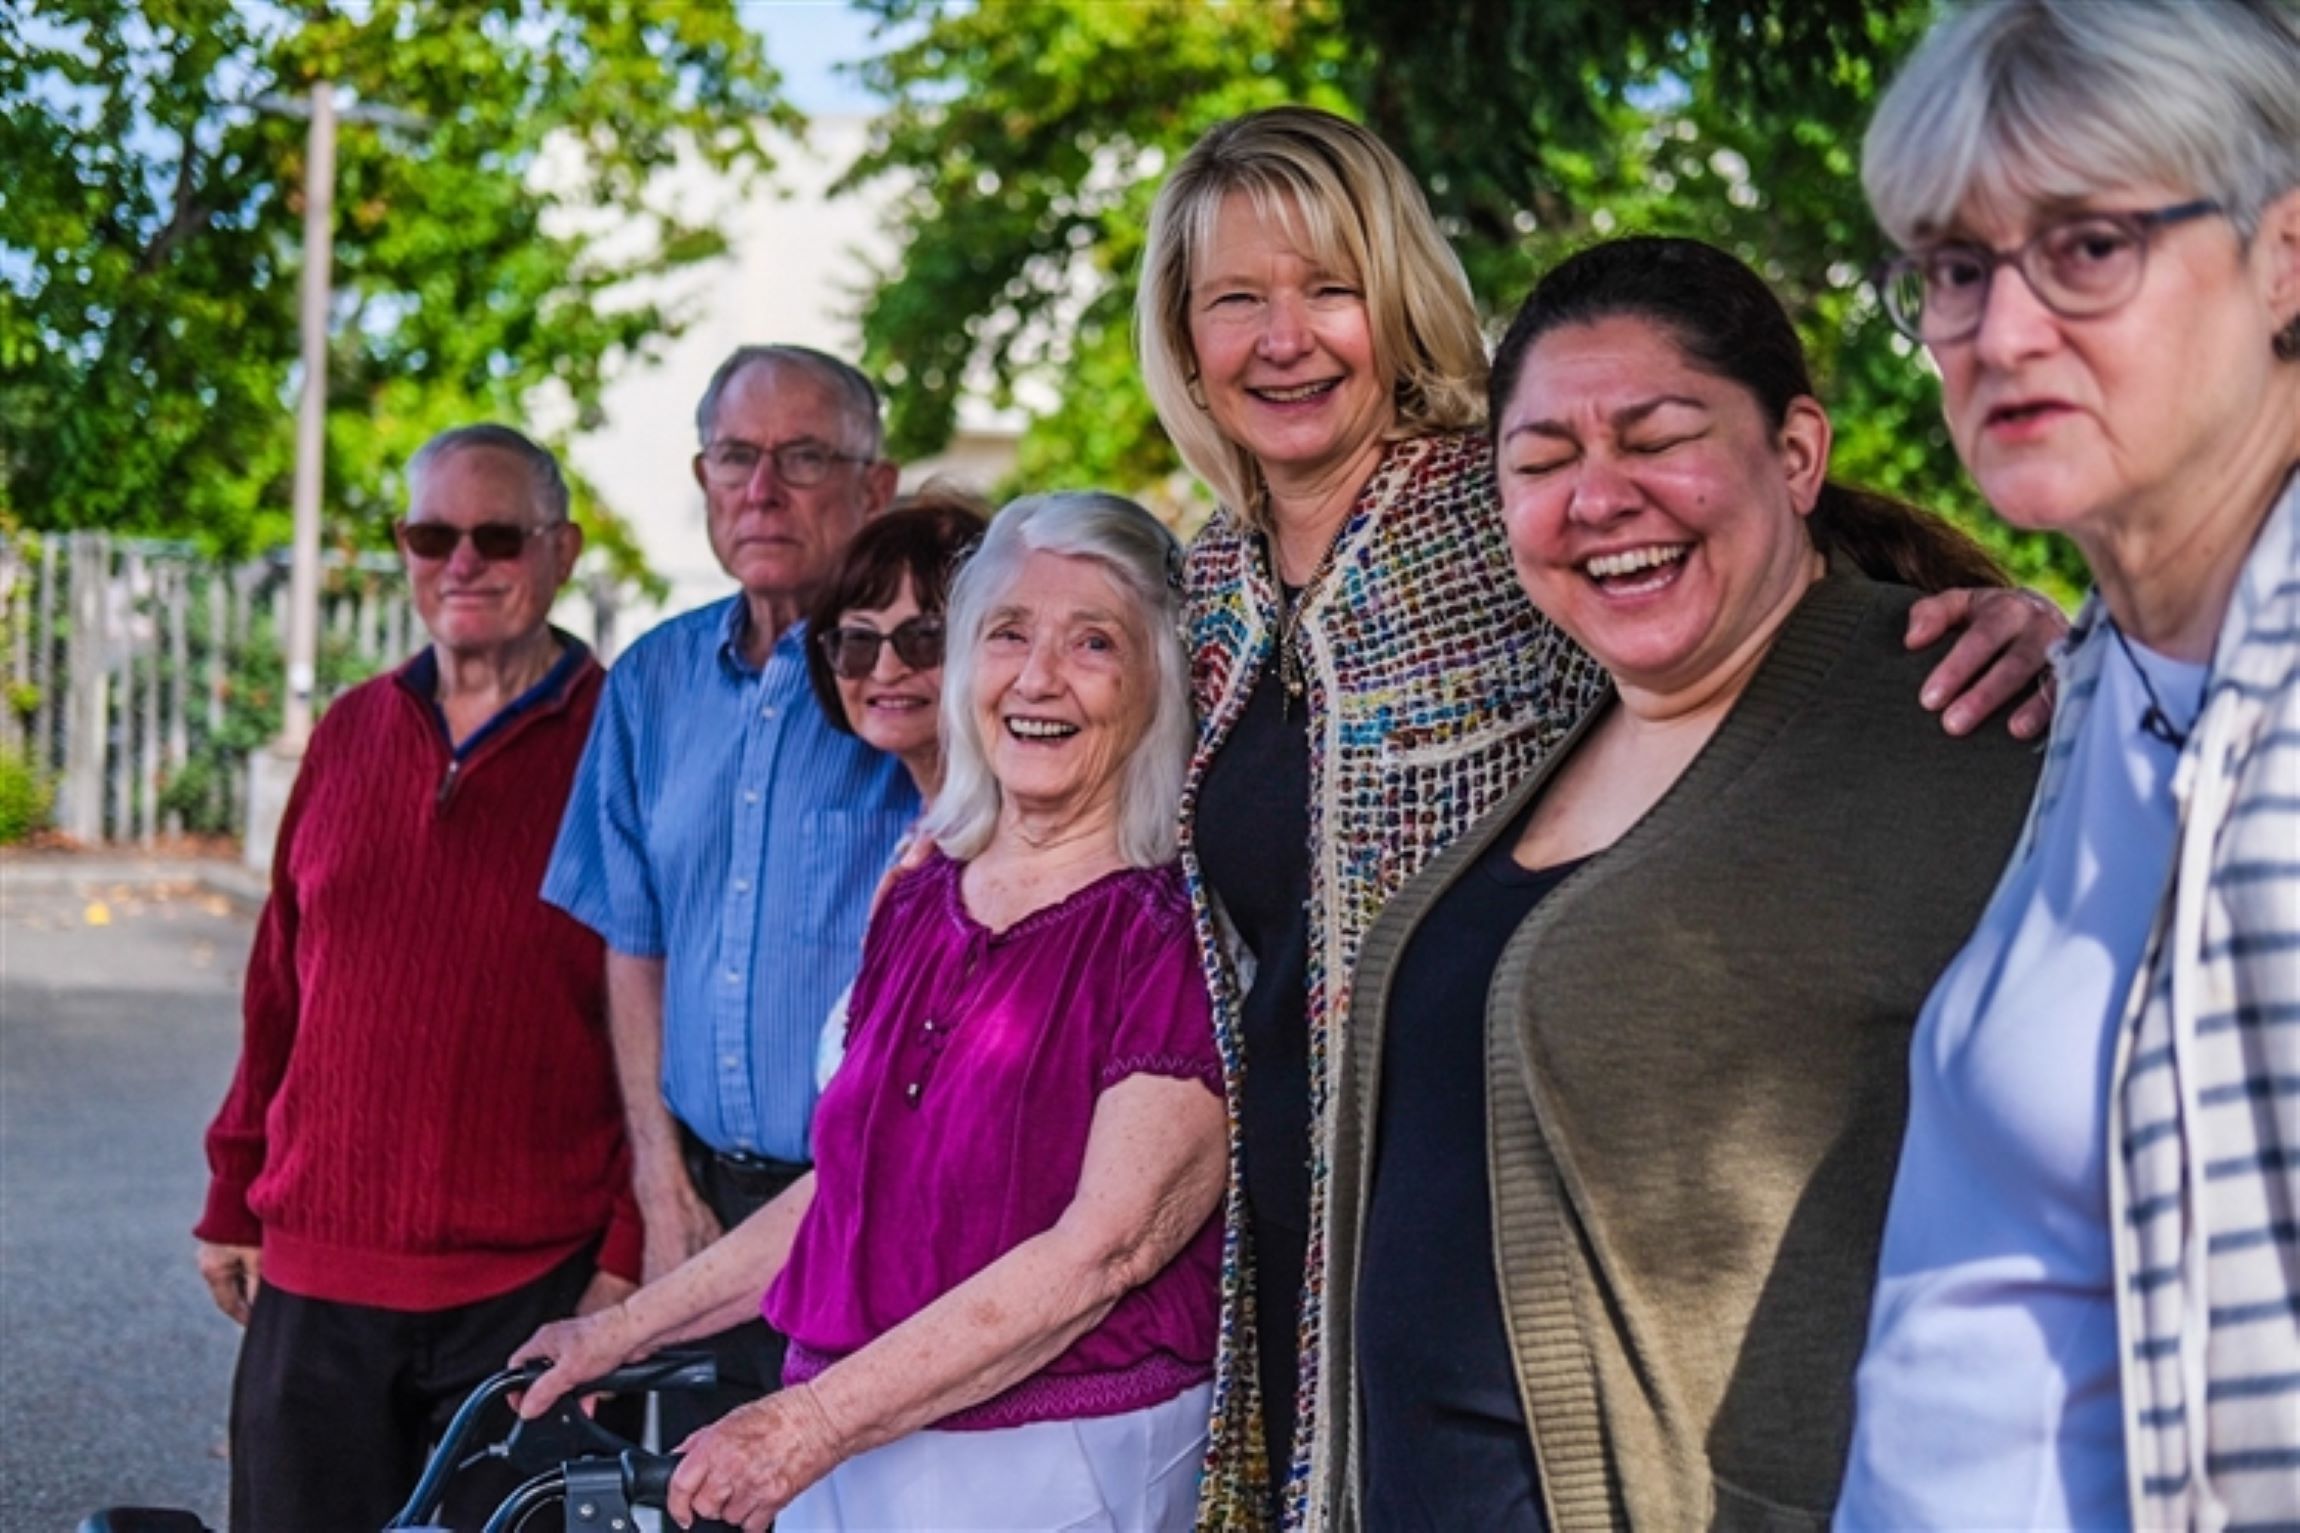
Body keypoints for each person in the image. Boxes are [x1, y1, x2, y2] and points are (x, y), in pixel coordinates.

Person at [1133, 103, 2072, 1527]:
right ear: (1181, 336)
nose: (1284, 337)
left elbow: (1742, 584)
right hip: (1297, 1249)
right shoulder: (1216, 586)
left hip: (1581, 1275)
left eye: (1329, 288)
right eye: (1234, 301)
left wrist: (2033, 625)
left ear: (1396, 298)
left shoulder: (1488, 517)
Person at [513, 492, 1226, 1533]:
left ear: (1159, 678)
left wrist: (805, 1427)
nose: (1036, 677)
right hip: (855, 1443)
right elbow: (849, 1193)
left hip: (1051, 1468)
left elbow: (1101, 1253)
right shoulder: (926, 894)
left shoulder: (1168, 934)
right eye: (1007, 633)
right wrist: (622, 1330)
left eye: (1093, 643)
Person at [1840, 3, 2300, 1526]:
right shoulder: (2115, 669)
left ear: (2286, 256)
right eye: (1958, 269)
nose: (2004, 330)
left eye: (2089, 245)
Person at [194, 424, 640, 1531]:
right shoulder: (351, 730)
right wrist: (230, 1191)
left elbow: (661, 1024)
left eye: (496, 534)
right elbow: (278, 992)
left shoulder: (621, 740)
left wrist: (631, 1263)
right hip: (318, 1279)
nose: (462, 562)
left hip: (536, 1291)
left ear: (562, 549)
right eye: (431, 533)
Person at [544, 345, 913, 1447]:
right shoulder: (649, 682)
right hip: (705, 1205)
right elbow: (634, 941)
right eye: (735, 457)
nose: (762, 490)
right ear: (702, 477)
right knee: (702, 1498)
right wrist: (661, 1193)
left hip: (877, 1209)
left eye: (803, 457)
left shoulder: (918, 684)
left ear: (875, 487)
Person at [799, 486, 990, 1088]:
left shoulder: (1003, 857)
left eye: (924, 637)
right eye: (857, 640)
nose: (885, 670)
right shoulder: (925, 835)